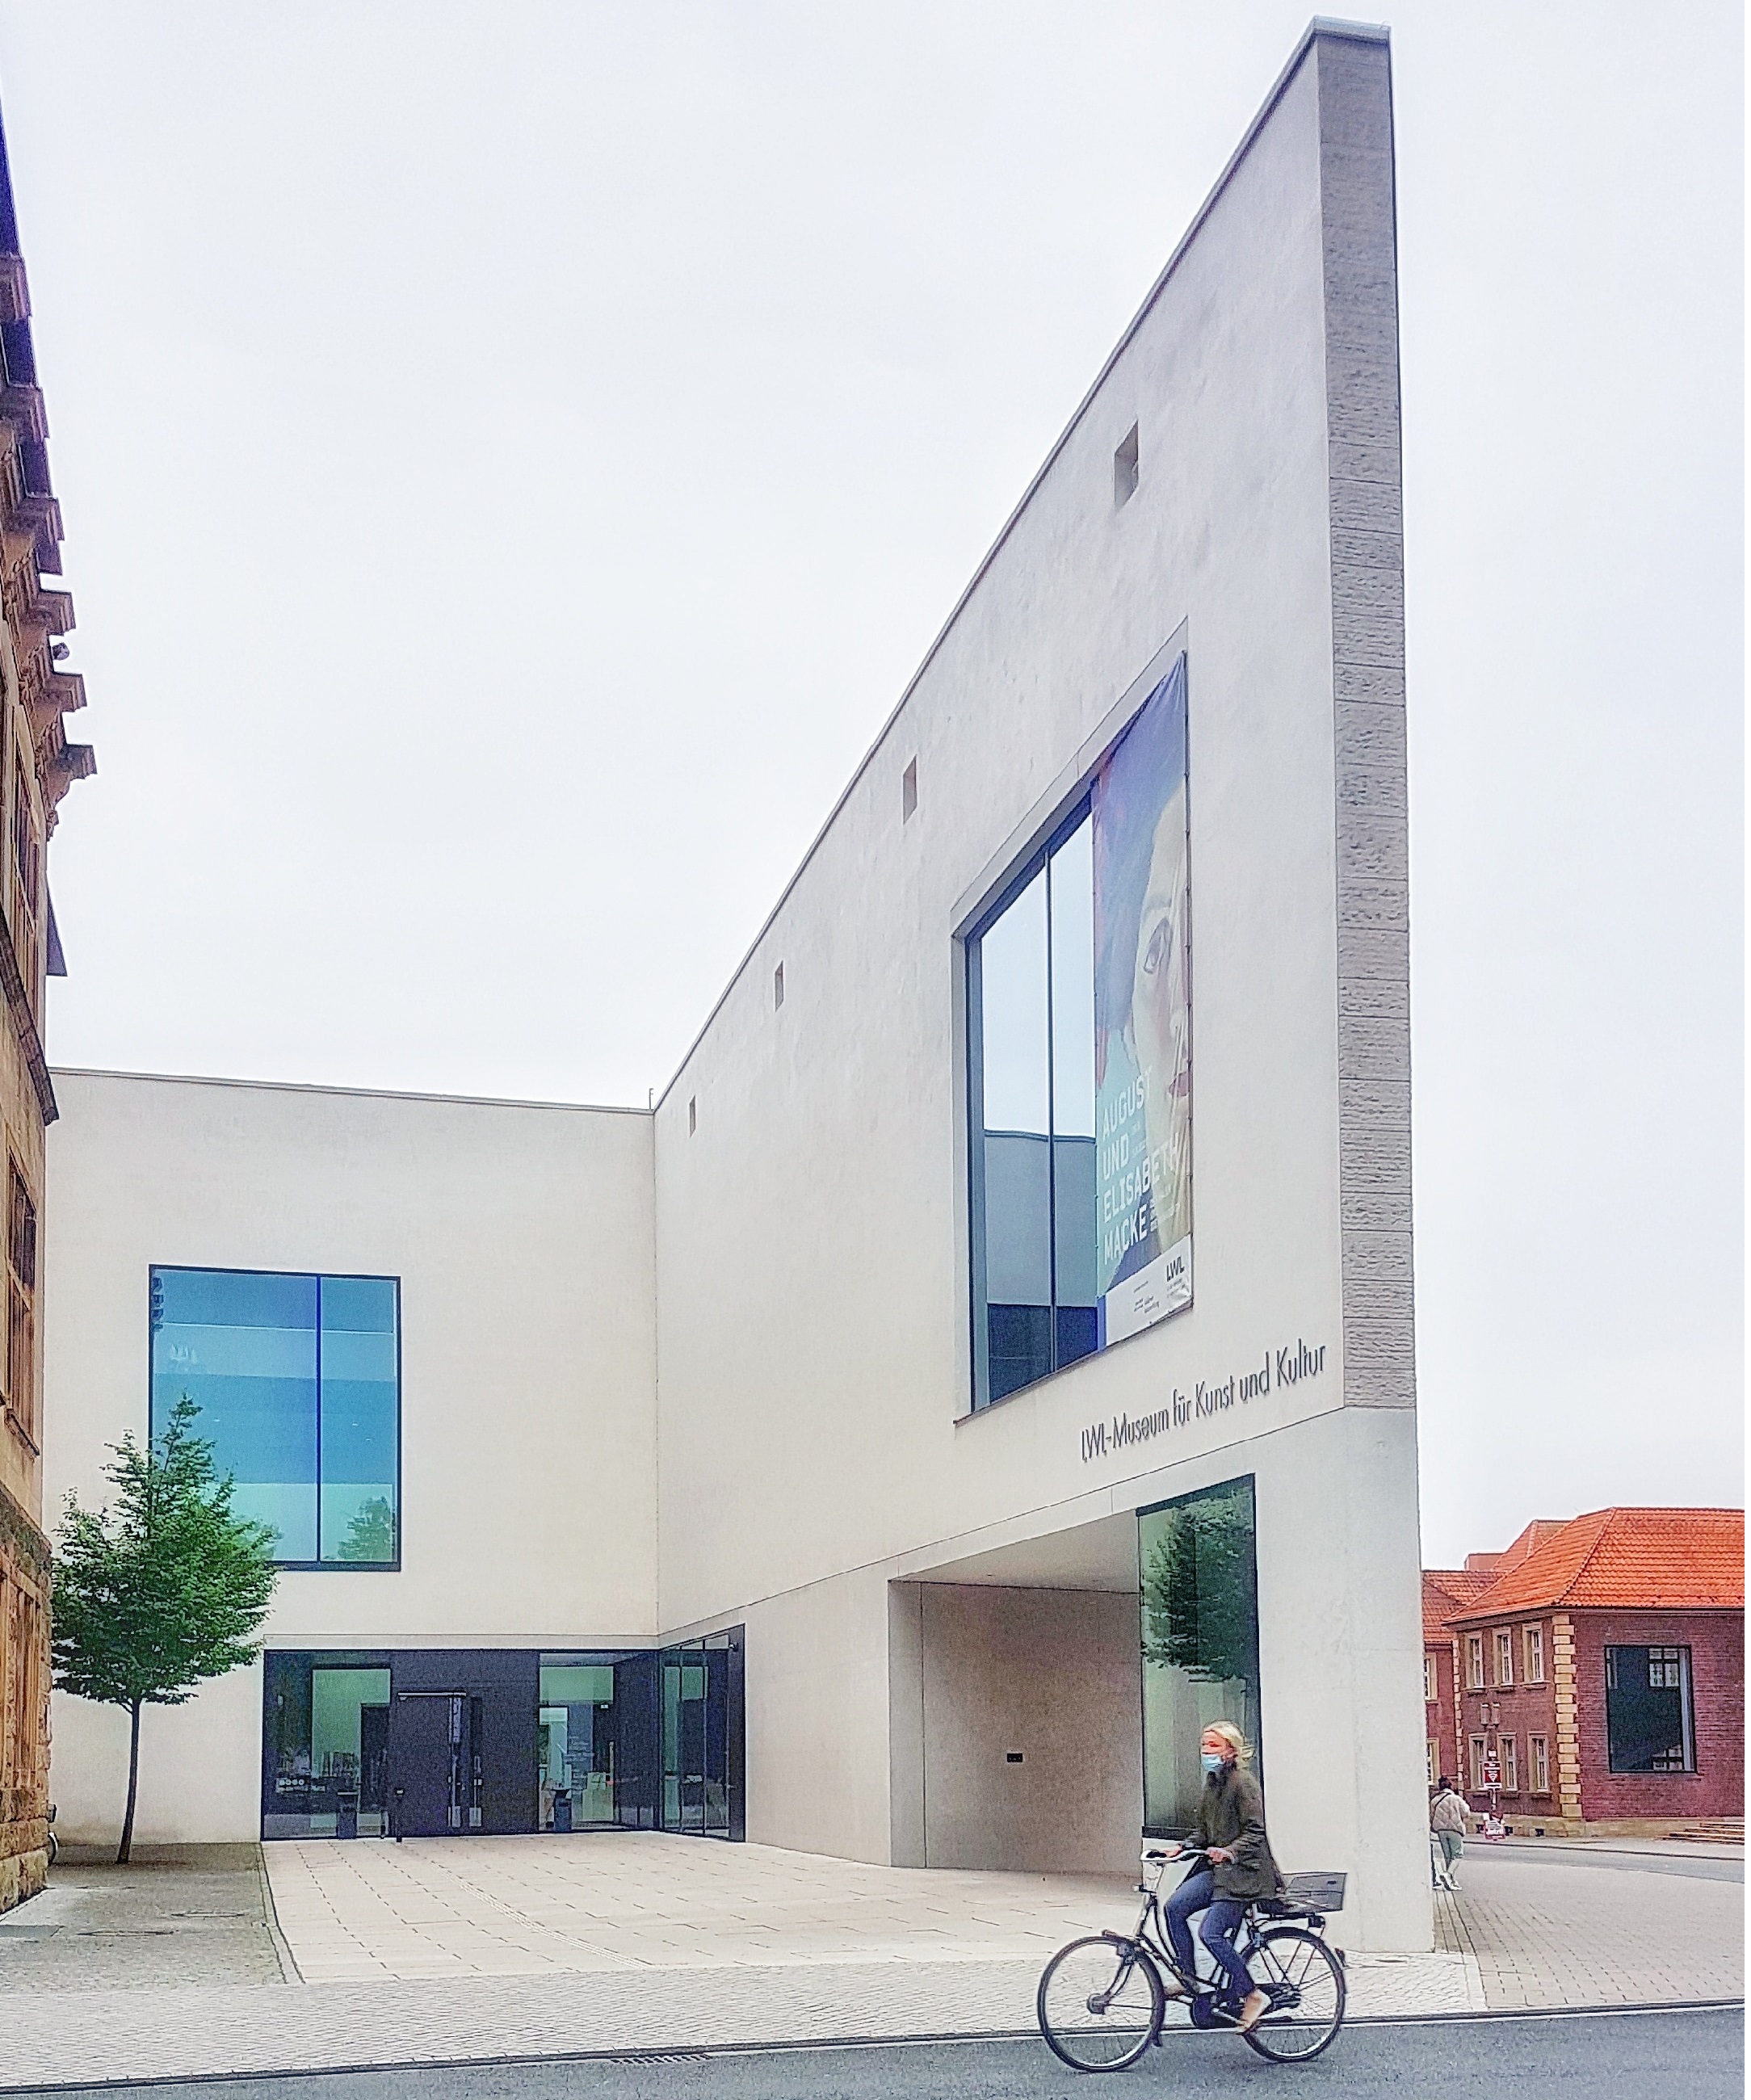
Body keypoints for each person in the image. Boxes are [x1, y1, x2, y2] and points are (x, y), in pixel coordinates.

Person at [1161, 1721, 1284, 2035]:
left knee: (1211, 1934)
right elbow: (1204, 1830)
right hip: (1219, 1872)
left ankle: (1253, 1995)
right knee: (1174, 1908)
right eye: (1204, 1746)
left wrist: (1229, 1851)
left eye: (1213, 1746)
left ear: (1231, 1749)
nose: (1207, 1751)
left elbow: (1256, 1831)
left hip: (1245, 1874)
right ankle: (1189, 1979)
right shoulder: (1213, 1783)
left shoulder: (1243, 1783)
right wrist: (1183, 1847)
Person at [1430, 1776, 1468, 1890]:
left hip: (1441, 1830)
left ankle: (1451, 1881)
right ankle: (1448, 1874)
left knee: (1447, 1855)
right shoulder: (1456, 1799)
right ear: (1450, 1786)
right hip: (1454, 1828)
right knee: (1457, 1854)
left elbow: (1431, 1815)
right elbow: (1466, 1812)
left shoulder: (1435, 1800)